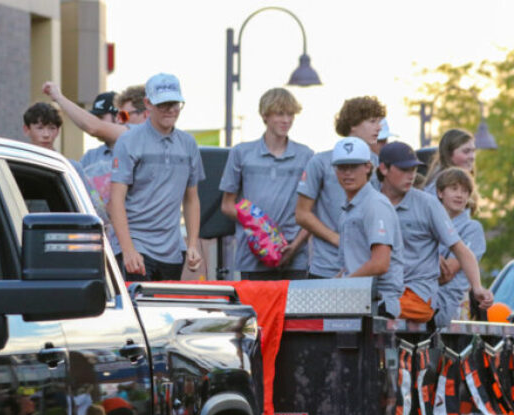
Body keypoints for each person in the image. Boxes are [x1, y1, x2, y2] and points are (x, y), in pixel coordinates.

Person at [377, 141, 492, 322]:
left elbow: (456, 260)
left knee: (379, 310)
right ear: (383, 169)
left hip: (418, 294)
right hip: (378, 290)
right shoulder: (368, 202)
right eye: (404, 170)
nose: (411, 176)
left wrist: (477, 287)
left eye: (414, 170)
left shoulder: (428, 205)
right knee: (359, 308)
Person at [109, 73, 204, 280]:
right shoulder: (129, 141)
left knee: (165, 311)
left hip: (172, 250)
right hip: (136, 244)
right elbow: (115, 199)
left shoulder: (188, 144)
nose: (170, 110)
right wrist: (128, 250)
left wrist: (193, 244)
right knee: (137, 310)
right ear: (147, 104)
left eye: (174, 104)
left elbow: (191, 198)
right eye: (163, 104)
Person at [219, 88, 313, 280]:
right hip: (252, 257)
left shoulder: (306, 155)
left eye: (290, 114)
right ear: (265, 115)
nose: (286, 120)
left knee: (292, 311)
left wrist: (294, 246)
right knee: (255, 311)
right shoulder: (241, 153)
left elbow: (313, 211)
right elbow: (227, 205)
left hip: (295, 258)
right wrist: (261, 230)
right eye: (280, 113)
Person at [295, 96, 386, 279]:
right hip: (325, 268)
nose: (379, 127)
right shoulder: (319, 162)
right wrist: (337, 239)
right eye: (372, 121)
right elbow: (302, 214)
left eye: (379, 121)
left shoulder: (379, 164)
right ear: (353, 125)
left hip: (364, 269)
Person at [22, 101, 116, 247]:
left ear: (58, 131)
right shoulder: (17, 165)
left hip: (62, 239)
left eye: (51, 128)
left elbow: (95, 208)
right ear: (27, 129)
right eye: (40, 128)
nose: (46, 134)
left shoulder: (71, 168)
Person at [333, 137, 404, 318]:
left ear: (367, 167)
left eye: (354, 166)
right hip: (358, 302)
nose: (348, 173)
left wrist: (343, 285)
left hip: (378, 303)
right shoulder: (349, 209)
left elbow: (380, 263)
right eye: (342, 167)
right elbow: (350, 264)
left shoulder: (374, 204)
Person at [434, 168, 486, 327]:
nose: (459, 195)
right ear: (440, 192)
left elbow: (447, 273)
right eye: (454, 188)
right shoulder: (429, 223)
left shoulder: (472, 228)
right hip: (425, 303)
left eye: (465, 191)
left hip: (454, 305)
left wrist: (426, 260)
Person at [423, 128, 476, 197]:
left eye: (473, 151)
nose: (472, 157)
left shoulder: (463, 181)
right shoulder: (438, 186)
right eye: (466, 151)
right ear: (449, 154)